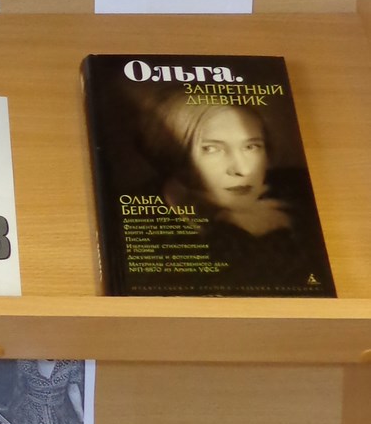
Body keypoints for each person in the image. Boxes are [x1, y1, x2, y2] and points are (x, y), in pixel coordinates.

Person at [138, 95, 327, 292]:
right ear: (172, 153)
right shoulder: (139, 223)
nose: (243, 170)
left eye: (251, 147)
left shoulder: (303, 192)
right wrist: (235, 234)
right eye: (212, 149)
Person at [4, 360, 85, 424]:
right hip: (30, 412)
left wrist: (81, 418)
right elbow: (19, 388)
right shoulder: (25, 362)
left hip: (61, 412)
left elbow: (73, 390)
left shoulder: (71, 363)